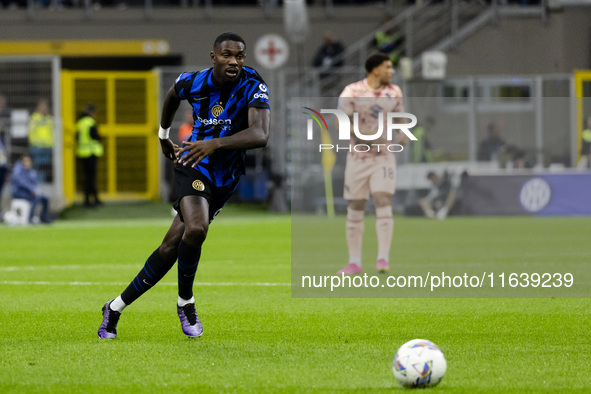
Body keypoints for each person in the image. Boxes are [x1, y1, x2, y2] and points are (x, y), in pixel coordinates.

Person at [97, 32, 271, 339]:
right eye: (227, 55)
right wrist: (163, 136)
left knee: (169, 247)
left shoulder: (253, 85)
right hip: (193, 162)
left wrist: (214, 143)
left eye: (240, 57)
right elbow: (172, 95)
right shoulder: (194, 82)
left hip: (226, 175)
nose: (234, 61)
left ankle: (114, 308)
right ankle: (186, 302)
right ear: (214, 56)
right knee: (196, 229)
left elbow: (260, 135)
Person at [335, 53, 409, 276]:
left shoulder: (394, 92)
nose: (392, 71)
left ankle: (382, 258)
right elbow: (340, 123)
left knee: (382, 198)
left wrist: (403, 132)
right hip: (357, 157)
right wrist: (363, 136)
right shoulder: (352, 92)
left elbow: (400, 117)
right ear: (375, 69)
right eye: (388, 67)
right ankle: (354, 262)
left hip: (383, 157)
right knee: (356, 205)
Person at [10, 153, 51, 224]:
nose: (27, 163)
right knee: (36, 198)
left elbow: (35, 184)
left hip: (29, 193)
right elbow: (21, 183)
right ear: (22, 161)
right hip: (19, 193)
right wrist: (32, 190)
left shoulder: (32, 171)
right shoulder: (17, 170)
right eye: (25, 161)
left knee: (45, 198)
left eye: (29, 161)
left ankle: (43, 216)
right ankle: (30, 217)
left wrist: (37, 190)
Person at [76, 104, 103, 207]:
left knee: (88, 178)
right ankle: (89, 200)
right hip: (91, 152)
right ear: (92, 112)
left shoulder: (80, 122)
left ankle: (94, 199)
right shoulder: (90, 122)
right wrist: (100, 138)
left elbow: (77, 137)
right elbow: (95, 136)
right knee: (91, 179)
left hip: (82, 152)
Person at [27, 99, 54, 183]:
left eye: (45, 106)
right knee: (37, 167)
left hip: (47, 146)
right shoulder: (34, 117)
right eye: (42, 106)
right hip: (37, 146)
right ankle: (37, 184)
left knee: (45, 168)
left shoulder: (49, 118)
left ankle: (43, 183)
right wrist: (33, 143)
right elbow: (30, 131)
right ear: (38, 107)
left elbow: (53, 132)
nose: (44, 108)